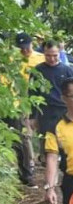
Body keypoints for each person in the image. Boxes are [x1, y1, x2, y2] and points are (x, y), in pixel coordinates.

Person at [31, 40, 73, 163]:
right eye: (48, 55)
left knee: (66, 143)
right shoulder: (38, 71)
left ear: (59, 53)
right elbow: (32, 94)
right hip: (45, 111)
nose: (51, 59)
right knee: (48, 146)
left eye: (54, 55)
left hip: (64, 110)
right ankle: (51, 176)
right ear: (43, 53)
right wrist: (32, 117)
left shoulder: (67, 70)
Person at [13, 32, 43, 187]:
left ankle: (45, 160)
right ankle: (28, 170)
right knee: (25, 137)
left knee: (44, 134)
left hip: (39, 101)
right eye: (21, 48)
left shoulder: (40, 58)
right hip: (21, 102)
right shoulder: (14, 59)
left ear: (32, 44)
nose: (24, 51)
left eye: (26, 47)